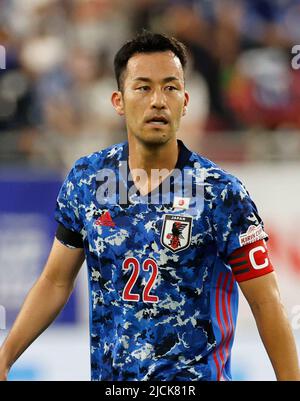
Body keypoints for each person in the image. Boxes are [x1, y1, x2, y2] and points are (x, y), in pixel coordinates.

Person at [0, 31, 299, 381]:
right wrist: (5, 357)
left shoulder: (221, 194)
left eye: (170, 88)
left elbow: (266, 302)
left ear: (185, 101)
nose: (158, 100)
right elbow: (54, 281)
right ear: (118, 100)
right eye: (143, 87)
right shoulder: (87, 180)